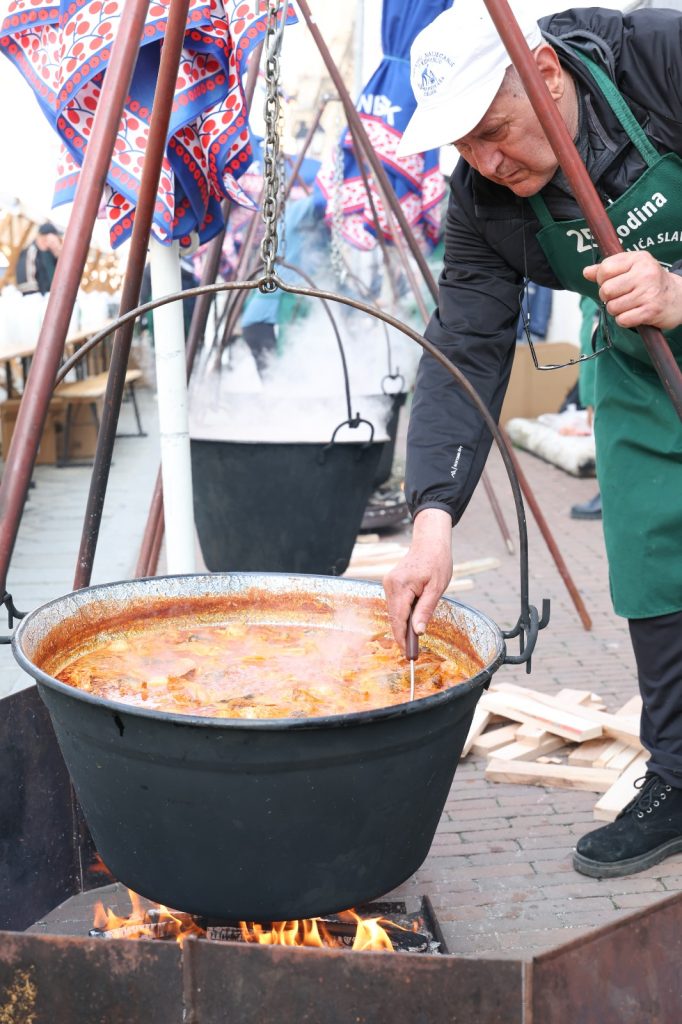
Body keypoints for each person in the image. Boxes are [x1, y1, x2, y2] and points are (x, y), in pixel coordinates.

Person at [385, 1, 682, 880]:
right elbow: (465, 348)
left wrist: (679, 289)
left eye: (494, 132)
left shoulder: (658, 60)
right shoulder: (482, 200)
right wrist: (433, 519)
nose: (487, 161)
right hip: (639, 367)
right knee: (650, 551)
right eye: (465, 146)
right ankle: (678, 776)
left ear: (546, 75)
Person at [15, 221, 62, 295]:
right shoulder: (31, 251)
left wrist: (58, 253)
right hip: (37, 297)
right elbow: (26, 285)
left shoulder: (50, 253)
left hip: (52, 294)